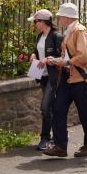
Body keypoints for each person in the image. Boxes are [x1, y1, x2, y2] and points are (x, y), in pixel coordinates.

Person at [43, 3, 87, 158]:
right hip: (68, 77)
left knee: (84, 112)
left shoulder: (79, 31)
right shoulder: (70, 31)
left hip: (80, 79)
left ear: (67, 18)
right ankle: (60, 146)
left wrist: (65, 62)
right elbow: (70, 56)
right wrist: (57, 60)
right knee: (58, 109)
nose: (59, 19)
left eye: (60, 16)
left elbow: (84, 56)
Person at [28, 9, 63, 151]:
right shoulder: (39, 36)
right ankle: (55, 136)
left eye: (36, 22)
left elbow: (61, 56)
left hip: (53, 77)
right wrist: (33, 55)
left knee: (45, 107)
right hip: (42, 75)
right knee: (49, 108)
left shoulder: (56, 36)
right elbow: (37, 52)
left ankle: (45, 137)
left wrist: (48, 59)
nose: (35, 24)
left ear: (43, 22)